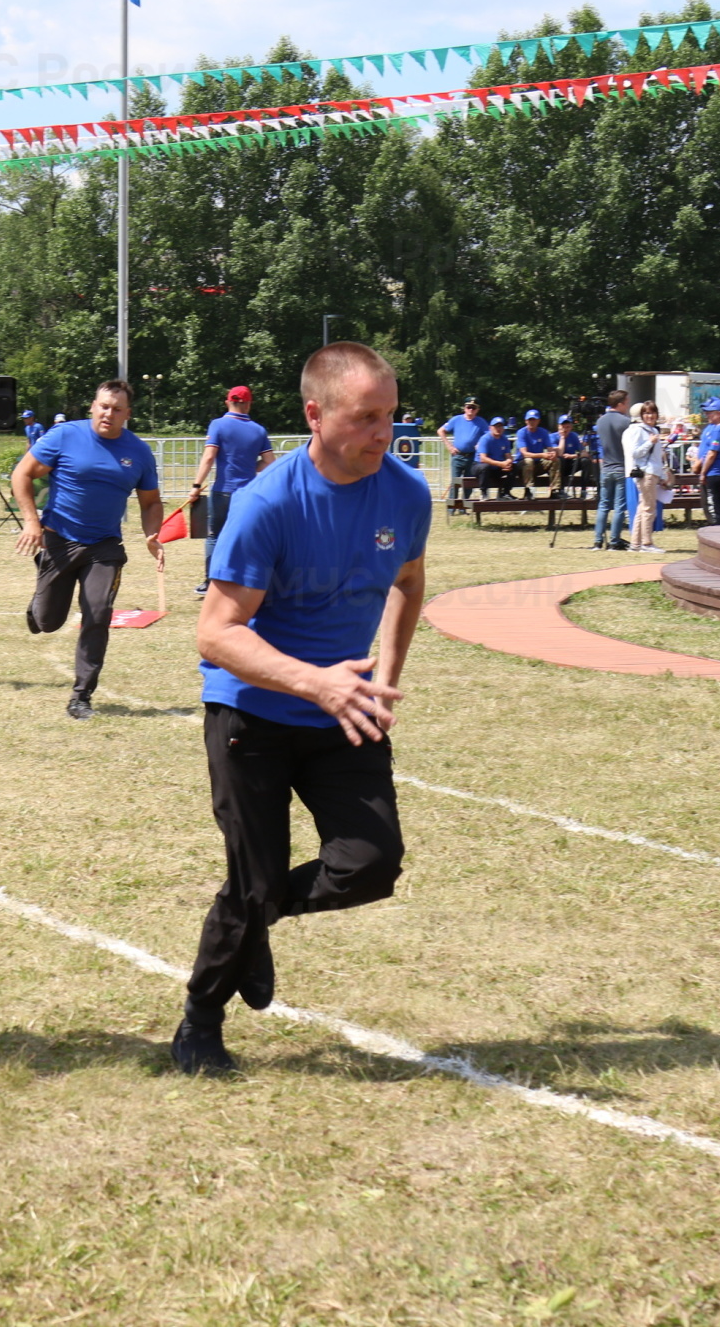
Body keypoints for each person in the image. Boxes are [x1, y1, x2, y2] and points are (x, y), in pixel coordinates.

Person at [172, 341, 427, 1076]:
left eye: (391, 415)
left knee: (371, 865)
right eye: (367, 416)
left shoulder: (405, 493)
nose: (385, 432)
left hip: (345, 709)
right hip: (252, 714)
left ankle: (254, 923)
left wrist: (384, 676)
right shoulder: (267, 503)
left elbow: (409, 579)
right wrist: (315, 682)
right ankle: (200, 1019)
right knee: (252, 880)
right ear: (315, 415)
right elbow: (215, 633)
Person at [11, 379, 163, 721]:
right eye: (104, 406)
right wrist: (32, 522)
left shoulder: (138, 452)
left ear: (128, 414)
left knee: (98, 613)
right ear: (93, 407)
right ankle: (38, 605)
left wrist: (152, 535)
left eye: (117, 409)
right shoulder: (65, 436)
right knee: (48, 621)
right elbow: (22, 474)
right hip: (59, 540)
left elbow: (150, 502)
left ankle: (81, 696)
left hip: (105, 547)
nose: (109, 413)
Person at [188, 384, 275, 595]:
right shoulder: (258, 430)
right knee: (246, 536)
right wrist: (250, 467)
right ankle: (246, 580)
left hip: (223, 492)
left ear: (228, 402)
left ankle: (210, 582)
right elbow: (269, 462)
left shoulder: (218, 425)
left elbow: (209, 457)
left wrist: (196, 486)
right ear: (248, 404)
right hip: (247, 493)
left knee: (215, 536)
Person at [626, 402, 672, 551]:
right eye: (646, 413)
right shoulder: (640, 430)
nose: (649, 416)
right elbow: (635, 452)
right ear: (641, 416)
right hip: (646, 473)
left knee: (642, 508)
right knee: (649, 509)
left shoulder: (652, 430)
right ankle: (647, 543)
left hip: (652, 472)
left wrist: (663, 474)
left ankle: (635, 543)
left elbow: (657, 457)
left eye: (652, 413)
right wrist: (649, 442)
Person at [590, 390, 632, 550]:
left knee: (603, 505)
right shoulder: (626, 422)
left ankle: (597, 540)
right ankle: (614, 540)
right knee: (620, 506)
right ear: (620, 403)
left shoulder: (600, 421)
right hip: (621, 467)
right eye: (626, 402)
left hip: (606, 467)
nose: (627, 406)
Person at [693, 397, 720, 525]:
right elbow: (705, 449)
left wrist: (703, 472)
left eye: (710, 412)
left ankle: (718, 528)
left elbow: (712, 453)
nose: (707, 414)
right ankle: (715, 526)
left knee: (715, 505)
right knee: (708, 504)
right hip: (709, 471)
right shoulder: (711, 427)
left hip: (715, 472)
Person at [437, 399, 488, 502]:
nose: (470, 410)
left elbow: (488, 435)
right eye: (468, 407)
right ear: (464, 408)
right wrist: (449, 446)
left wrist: (480, 444)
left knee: (469, 483)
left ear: (477, 409)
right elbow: (441, 431)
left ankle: (464, 506)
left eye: (473, 408)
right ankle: (452, 507)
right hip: (457, 456)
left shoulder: (481, 422)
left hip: (472, 456)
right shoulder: (456, 420)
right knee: (455, 482)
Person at [472, 417, 517, 500]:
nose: (498, 429)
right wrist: (501, 464)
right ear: (490, 428)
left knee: (514, 467)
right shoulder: (485, 439)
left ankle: (506, 493)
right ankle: (484, 493)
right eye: (496, 426)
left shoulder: (504, 439)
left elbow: (508, 455)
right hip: (480, 467)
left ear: (503, 428)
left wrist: (509, 462)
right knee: (485, 467)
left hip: (497, 468)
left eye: (500, 426)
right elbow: (483, 459)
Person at [513, 410, 552, 497]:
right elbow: (525, 453)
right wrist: (542, 455)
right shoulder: (521, 432)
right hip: (522, 464)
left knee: (555, 460)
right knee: (529, 461)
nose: (531, 422)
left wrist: (552, 454)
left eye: (534, 420)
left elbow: (550, 449)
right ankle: (529, 490)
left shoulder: (543, 432)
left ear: (538, 421)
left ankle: (555, 490)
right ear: (526, 421)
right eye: (529, 420)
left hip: (537, 463)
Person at [552, 414, 584, 497]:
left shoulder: (574, 436)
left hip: (571, 462)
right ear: (558, 426)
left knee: (585, 461)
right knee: (560, 460)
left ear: (571, 427)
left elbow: (584, 453)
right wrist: (562, 437)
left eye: (568, 427)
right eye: (563, 426)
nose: (565, 429)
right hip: (558, 466)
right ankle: (561, 490)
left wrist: (572, 456)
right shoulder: (552, 437)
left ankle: (584, 490)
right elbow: (559, 453)